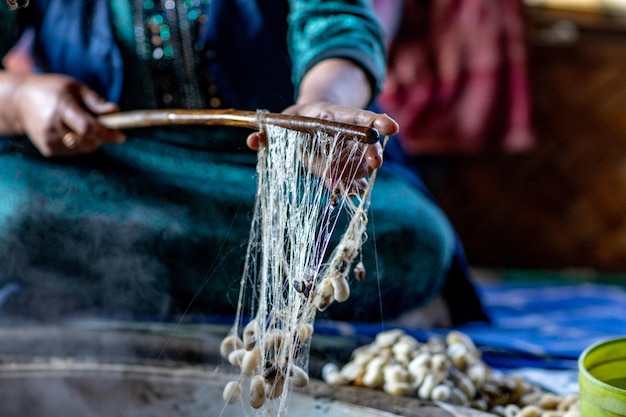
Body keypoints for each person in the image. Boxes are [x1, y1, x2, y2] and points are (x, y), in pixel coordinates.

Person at [0, 0, 487, 326]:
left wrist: (322, 106)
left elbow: (338, 22)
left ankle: (113, 289)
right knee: (10, 204)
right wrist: (19, 98)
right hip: (107, 176)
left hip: (282, 177)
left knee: (407, 238)